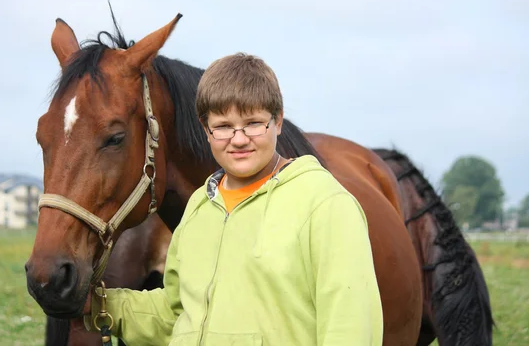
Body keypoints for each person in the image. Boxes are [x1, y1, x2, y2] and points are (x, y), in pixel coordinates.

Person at [84, 53, 383, 345]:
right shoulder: (200, 207)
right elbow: (178, 314)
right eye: (224, 126)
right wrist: (100, 306)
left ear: (278, 121)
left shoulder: (324, 203)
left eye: (254, 123)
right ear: (206, 130)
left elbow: (351, 325)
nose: (239, 139)